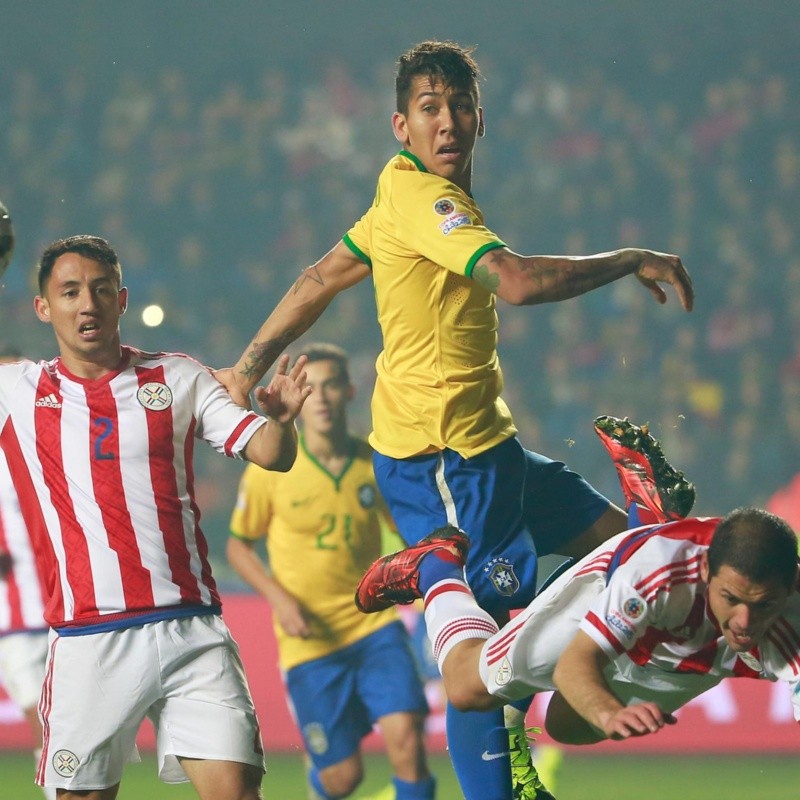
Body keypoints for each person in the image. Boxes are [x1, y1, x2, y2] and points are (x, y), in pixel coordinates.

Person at [217, 40, 694, 800]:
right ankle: (494, 768)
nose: (447, 123)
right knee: (486, 669)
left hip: (487, 449)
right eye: (429, 109)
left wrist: (243, 369)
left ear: (480, 118)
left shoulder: (393, 195)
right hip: (442, 463)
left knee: (631, 546)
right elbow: (517, 282)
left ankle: (450, 567)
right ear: (399, 125)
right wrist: (629, 257)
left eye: (459, 106)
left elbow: (321, 277)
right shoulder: (428, 204)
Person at [0, 235, 312, 800]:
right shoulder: (17, 391)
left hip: (193, 630)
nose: (86, 304)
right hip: (91, 637)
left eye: (99, 290)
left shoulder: (177, 377)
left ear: (122, 300)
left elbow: (272, 454)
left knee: (239, 794)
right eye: (69, 293)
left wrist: (284, 421)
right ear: (43, 309)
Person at [354, 506, 800, 753]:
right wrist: (609, 711)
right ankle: (438, 568)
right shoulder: (659, 572)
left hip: (685, 645)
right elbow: (574, 666)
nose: (745, 621)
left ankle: (651, 509)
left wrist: (601, 715)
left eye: (762, 606)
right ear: (706, 569)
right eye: (732, 599)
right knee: (467, 688)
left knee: (568, 728)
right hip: (611, 589)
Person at [227, 343, 435, 800]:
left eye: (330, 386)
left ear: (350, 392)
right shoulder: (270, 468)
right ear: (298, 398)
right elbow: (238, 547)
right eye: (310, 388)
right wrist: (279, 599)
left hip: (375, 627)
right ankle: (323, 772)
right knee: (342, 780)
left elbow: (406, 536)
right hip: (311, 642)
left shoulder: (372, 465)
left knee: (408, 742)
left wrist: (425, 586)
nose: (319, 398)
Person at [0, 344, 54, 800]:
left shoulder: (46, 438)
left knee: (61, 719)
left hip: (64, 606)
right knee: (45, 718)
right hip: (13, 617)